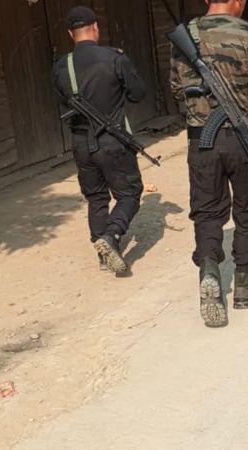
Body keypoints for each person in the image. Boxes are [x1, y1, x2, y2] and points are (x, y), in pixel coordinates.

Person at [170, 0, 248, 328]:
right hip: (243, 140)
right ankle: (245, 286)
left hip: (201, 141)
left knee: (207, 212)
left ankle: (209, 270)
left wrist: (201, 105)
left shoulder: (187, 35)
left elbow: (177, 90)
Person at [52, 6, 146, 274]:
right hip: (113, 141)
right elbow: (138, 94)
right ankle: (112, 236)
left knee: (96, 197)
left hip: (81, 143)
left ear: (70, 33)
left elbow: (61, 100)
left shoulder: (62, 66)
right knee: (129, 193)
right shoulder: (115, 58)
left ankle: (103, 255)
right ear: (95, 28)